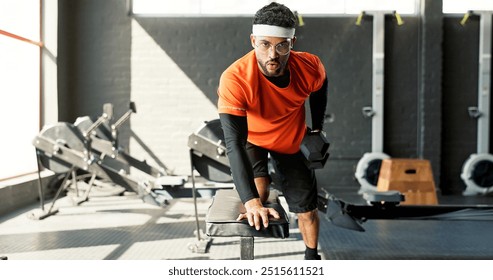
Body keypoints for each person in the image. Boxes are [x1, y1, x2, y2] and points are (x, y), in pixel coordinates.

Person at [217, 2, 328, 260]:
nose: (272, 55)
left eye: (282, 45)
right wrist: (252, 202)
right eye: (265, 44)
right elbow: (234, 143)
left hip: (290, 139)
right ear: (253, 40)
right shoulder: (235, 79)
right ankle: (264, 186)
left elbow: (321, 88)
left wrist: (318, 130)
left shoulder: (309, 66)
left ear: (292, 43)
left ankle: (312, 258)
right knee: (260, 196)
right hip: (252, 139)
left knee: (307, 210)